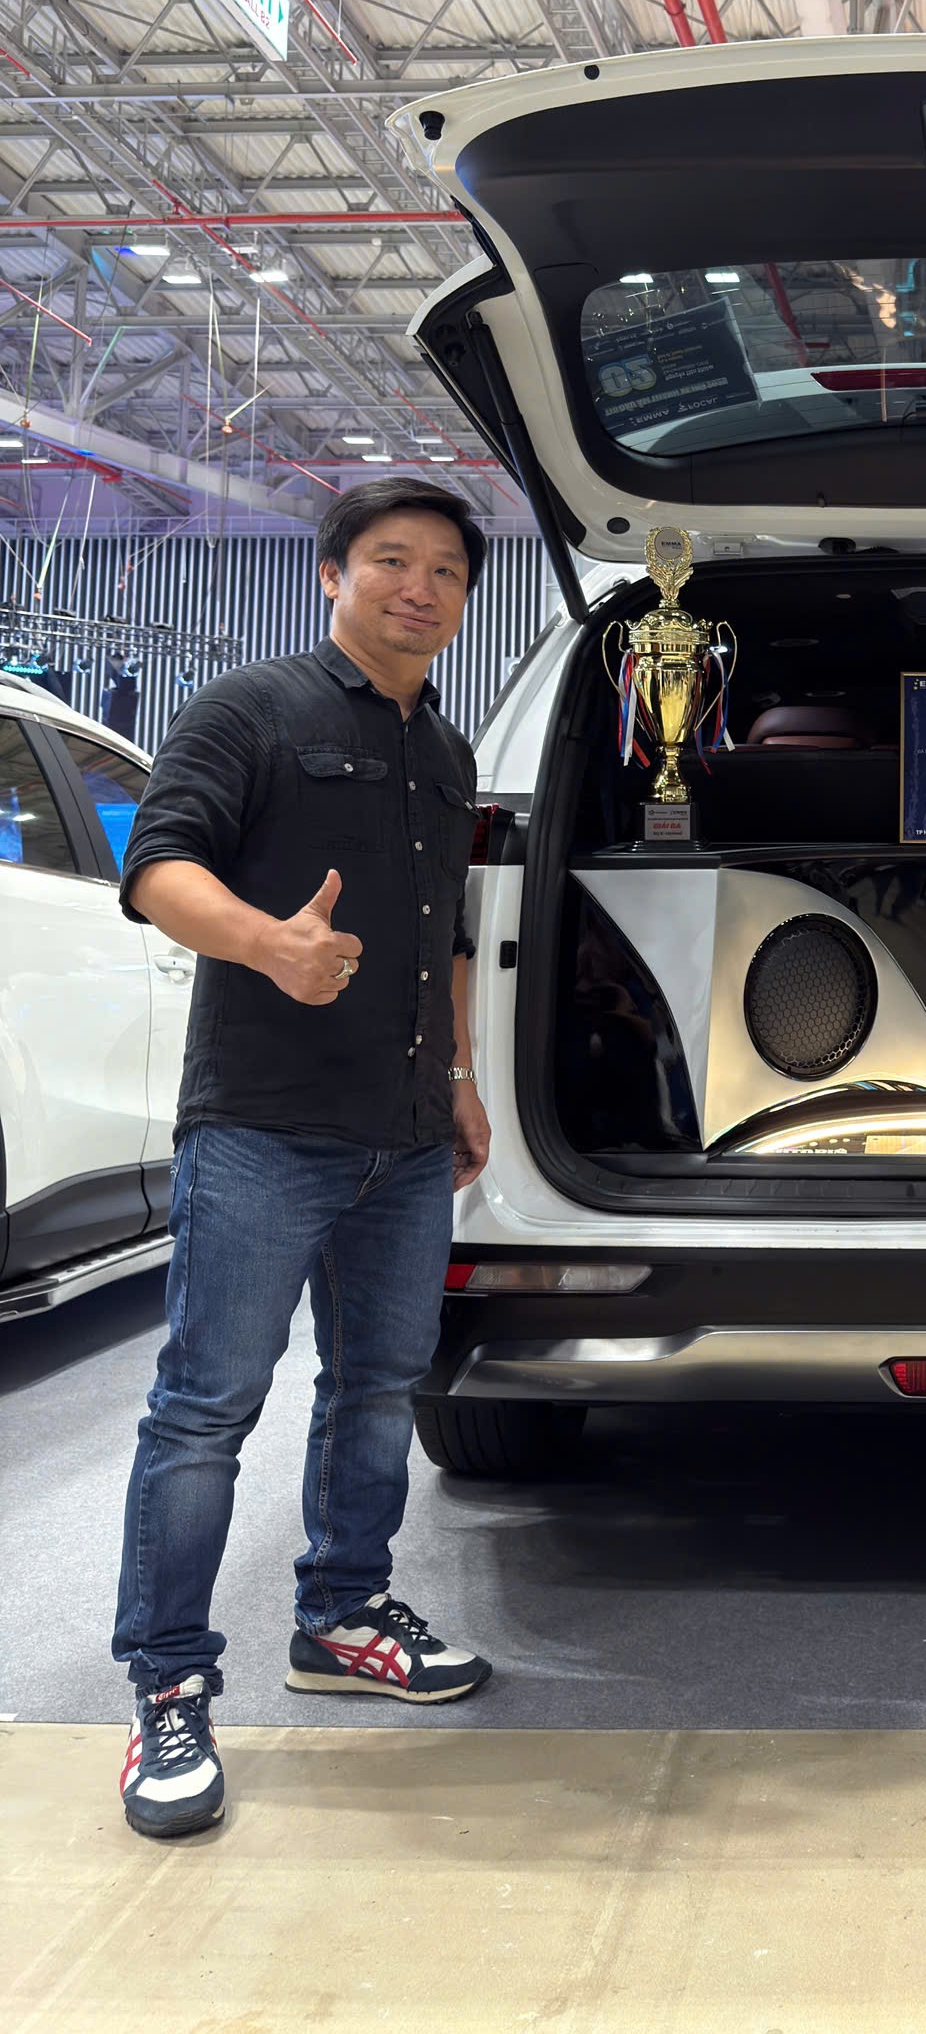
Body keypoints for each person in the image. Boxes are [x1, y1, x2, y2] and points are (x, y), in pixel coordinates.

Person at [110, 478, 496, 1840]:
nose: (420, 588)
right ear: (333, 573)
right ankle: (168, 1687)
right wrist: (268, 943)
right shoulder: (248, 711)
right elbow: (159, 866)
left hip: (406, 1138)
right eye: (391, 560)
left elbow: (448, 934)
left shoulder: (445, 752)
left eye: (446, 571)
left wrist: (460, 1080)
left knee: (378, 1390)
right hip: (264, 1126)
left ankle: (340, 1615)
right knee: (206, 1408)